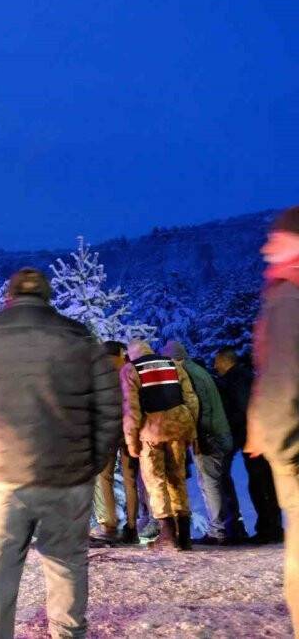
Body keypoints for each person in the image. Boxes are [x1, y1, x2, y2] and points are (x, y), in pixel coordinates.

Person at [0, 268, 122, 639]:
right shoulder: (80, 338)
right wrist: (93, 461)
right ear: (47, 297)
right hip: (67, 475)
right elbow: (109, 407)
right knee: (66, 565)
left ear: (9, 298)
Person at [246, 205, 299, 633]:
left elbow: (282, 376)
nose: (266, 248)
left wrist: (279, 444)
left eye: (275, 239)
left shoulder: (288, 297)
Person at [161, 340, 246, 545]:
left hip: (211, 436)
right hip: (221, 434)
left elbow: (201, 408)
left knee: (210, 484)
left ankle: (217, 531)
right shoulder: (198, 371)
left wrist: (199, 435)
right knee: (221, 481)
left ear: (174, 359)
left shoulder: (189, 375)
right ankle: (232, 526)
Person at [122, 340, 199, 551]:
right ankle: (184, 536)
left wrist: (131, 442)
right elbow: (191, 398)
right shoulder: (173, 364)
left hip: (152, 431)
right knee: (178, 478)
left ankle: (167, 535)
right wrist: (191, 428)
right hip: (179, 426)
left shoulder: (131, 369)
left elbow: (132, 410)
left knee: (155, 480)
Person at [216, 346, 284, 543]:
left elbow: (243, 409)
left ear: (225, 360)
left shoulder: (236, 379)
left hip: (254, 439)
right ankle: (271, 527)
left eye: (217, 361)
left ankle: (268, 529)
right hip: (258, 437)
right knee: (263, 483)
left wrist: (236, 435)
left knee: (260, 483)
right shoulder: (245, 376)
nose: (215, 365)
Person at [90, 341, 144, 545]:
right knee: (131, 480)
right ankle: (132, 528)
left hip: (107, 431)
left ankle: (108, 525)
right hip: (130, 431)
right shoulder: (131, 371)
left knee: (104, 476)